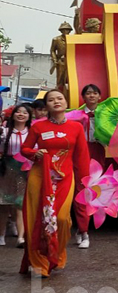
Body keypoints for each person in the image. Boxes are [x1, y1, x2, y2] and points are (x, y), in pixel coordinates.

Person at [19, 90, 90, 277]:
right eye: (51, 100)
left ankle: (55, 254)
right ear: (47, 106)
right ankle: (38, 263)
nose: (56, 102)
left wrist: (86, 182)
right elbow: (24, 149)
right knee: (37, 220)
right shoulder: (38, 127)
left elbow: (82, 157)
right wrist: (35, 154)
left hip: (65, 178)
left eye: (59, 98)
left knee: (62, 219)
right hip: (40, 177)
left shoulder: (76, 127)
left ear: (66, 102)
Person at [72, 83, 104, 250]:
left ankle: (82, 227)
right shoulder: (76, 115)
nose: (91, 96)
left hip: (98, 151)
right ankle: (84, 231)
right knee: (82, 190)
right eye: (88, 93)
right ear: (83, 97)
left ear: (100, 96)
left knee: (95, 191)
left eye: (95, 93)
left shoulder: (106, 114)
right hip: (81, 152)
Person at [0, 104, 31, 247]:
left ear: (29, 116)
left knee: (20, 204)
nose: (21, 114)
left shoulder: (32, 132)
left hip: (25, 169)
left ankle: (21, 237)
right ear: (12, 115)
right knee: (4, 204)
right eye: (18, 112)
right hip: (7, 168)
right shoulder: (5, 132)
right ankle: (1, 235)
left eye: (25, 112)